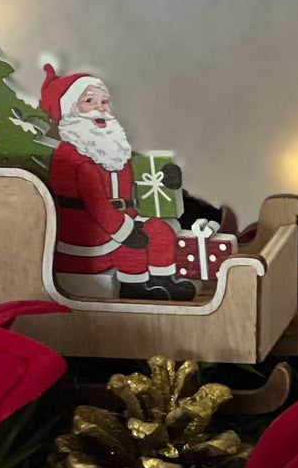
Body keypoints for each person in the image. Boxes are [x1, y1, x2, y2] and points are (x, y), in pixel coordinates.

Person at [39, 65, 196, 301]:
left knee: (160, 230)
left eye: (104, 102)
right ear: (71, 110)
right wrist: (126, 232)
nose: (100, 108)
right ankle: (135, 289)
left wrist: (166, 175)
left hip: (120, 224)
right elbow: (98, 207)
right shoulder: (71, 157)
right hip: (87, 239)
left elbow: (142, 173)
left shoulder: (111, 149)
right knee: (135, 244)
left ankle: (161, 281)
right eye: (90, 101)